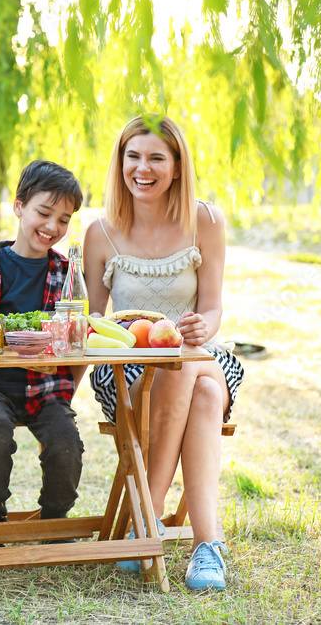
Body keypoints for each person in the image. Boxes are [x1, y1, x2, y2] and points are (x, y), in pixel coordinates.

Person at [83, 114, 245, 591]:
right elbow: (92, 322)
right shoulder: (100, 232)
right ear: (120, 162)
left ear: (177, 165)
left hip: (200, 353)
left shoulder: (206, 221)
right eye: (133, 156)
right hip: (126, 369)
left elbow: (212, 308)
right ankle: (204, 545)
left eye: (157, 158)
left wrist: (199, 326)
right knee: (201, 395)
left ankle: (149, 523)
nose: (143, 168)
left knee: (186, 367)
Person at [0, 161, 86, 527]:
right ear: (18, 207)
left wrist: (65, 385)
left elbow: (77, 336)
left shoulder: (67, 274)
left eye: (63, 220)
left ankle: (54, 520)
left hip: (48, 389)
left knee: (67, 443)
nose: (52, 227)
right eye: (44, 213)